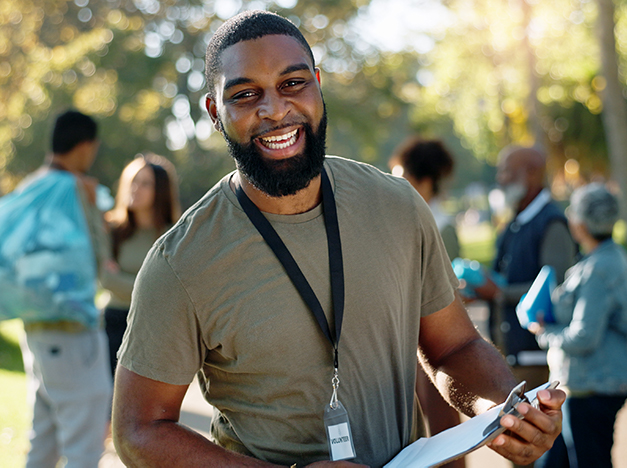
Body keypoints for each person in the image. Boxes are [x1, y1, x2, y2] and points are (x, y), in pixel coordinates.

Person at [112, 11, 565, 467]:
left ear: (318, 84)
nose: (274, 109)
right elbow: (138, 431)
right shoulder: (181, 261)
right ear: (214, 112)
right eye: (246, 94)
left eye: (293, 83)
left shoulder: (397, 205)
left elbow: (454, 347)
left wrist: (503, 413)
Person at [1, 110, 112, 467]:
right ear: (85, 146)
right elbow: (96, 259)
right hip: (73, 334)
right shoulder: (72, 190)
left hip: (35, 329)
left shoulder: (32, 186)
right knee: (84, 445)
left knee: (44, 441)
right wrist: (94, 207)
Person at [528, 183, 627, 468]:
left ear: (579, 223)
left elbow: (584, 336)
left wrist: (544, 333)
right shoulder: (611, 256)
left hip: (593, 387)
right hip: (591, 383)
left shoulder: (598, 268)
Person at [389, 137, 465, 468]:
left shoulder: (440, 225)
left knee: (444, 437)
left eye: (402, 177)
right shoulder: (407, 220)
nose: (393, 184)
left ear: (423, 182)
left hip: (432, 343)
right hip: (407, 344)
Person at [490, 146, 578, 389]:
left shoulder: (551, 222)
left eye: (506, 171)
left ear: (531, 173)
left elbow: (555, 287)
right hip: (511, 356)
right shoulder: (515, 221)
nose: (500, 178)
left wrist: (498, 293)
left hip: (536, 358)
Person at [101, 153, 181, 378]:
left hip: (154, 327)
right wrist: (150, 285)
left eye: (145, 183)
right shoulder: (112, 229)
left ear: (161, 191)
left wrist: (124, 281)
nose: (135, 188)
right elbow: (107, 280)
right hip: (113, 323)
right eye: (133, 180)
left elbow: (171, 290)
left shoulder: (175, 235)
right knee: (109, 405)